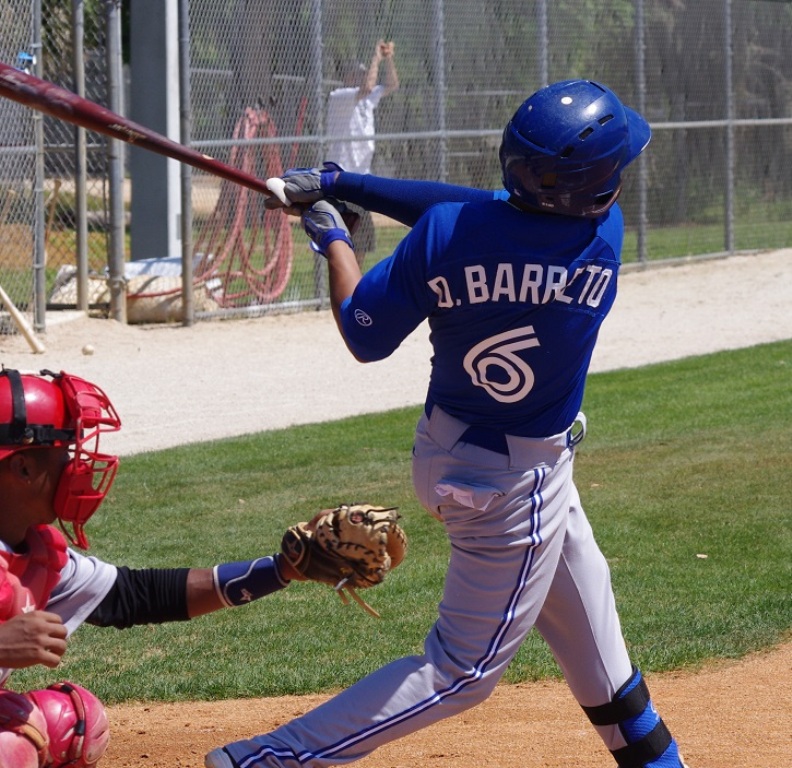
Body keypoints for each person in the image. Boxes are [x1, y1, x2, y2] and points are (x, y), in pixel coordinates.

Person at [209, 80, 691, 768]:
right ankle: (267, 759)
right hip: (513, 484)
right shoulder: (599, 238)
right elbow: (481, 215)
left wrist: (334, 236)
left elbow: (366, 332)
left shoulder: (445, 238)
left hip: (463, 457)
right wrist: (348, 184)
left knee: (603, 664)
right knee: (463, 671)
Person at [0, 367, 310, 768]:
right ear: (22, 468)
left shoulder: (36, 550)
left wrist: (282, 569)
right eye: (64, 452)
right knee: (13, 745)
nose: (77, 466)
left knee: (72, 724)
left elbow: (133, 595)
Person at [325, 39, 399, 268]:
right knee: (342, 242)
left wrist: (388, 59)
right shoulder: (340, 96)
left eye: (364, 73)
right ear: (347, 77)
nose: (363, 77)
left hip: (361, 180)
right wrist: (375, 57)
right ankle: (345, 288)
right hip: (342, 179)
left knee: (363, 243)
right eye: (357, 74)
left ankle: (355, 287)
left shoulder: (367, 101)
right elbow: (366, 87)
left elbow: (392, 84)